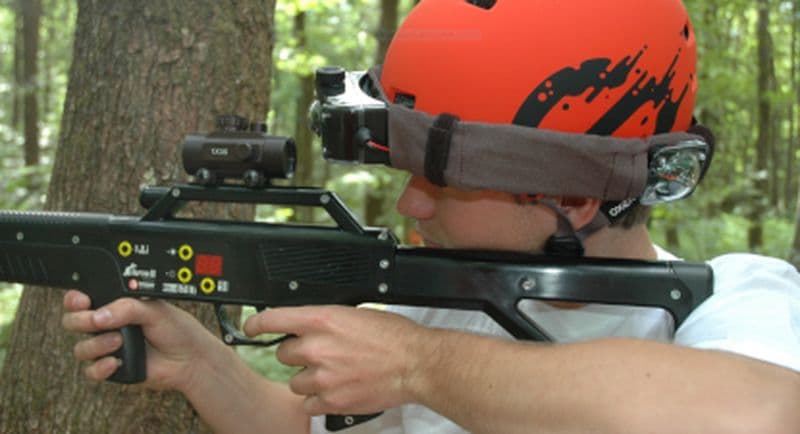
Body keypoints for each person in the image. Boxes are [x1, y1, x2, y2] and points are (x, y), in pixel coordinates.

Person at [62, 0, 800, 433]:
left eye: (440, 185)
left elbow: (757, 415)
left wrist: (417, 365)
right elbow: (302, 426)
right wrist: (201, 365)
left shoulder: (741, 300)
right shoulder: (448, 308)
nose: (410, 204)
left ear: (576, 198)